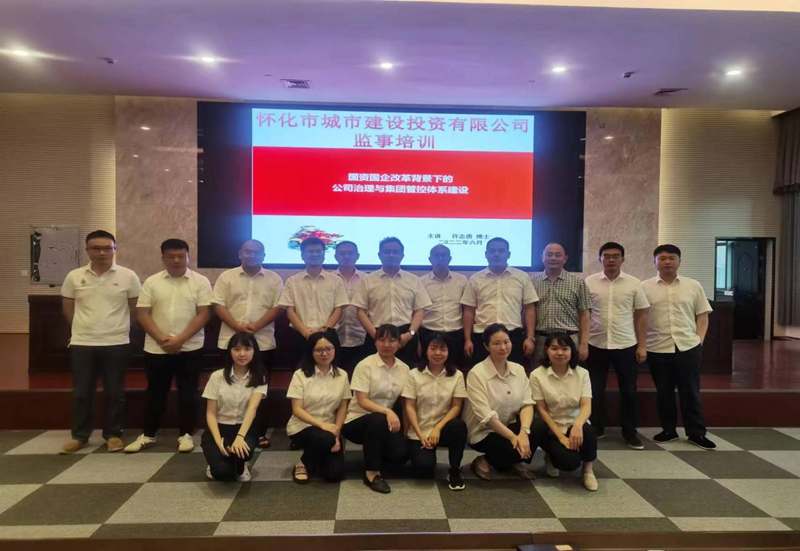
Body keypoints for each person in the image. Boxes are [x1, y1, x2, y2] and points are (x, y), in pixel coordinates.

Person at [125, 238, 213, 453]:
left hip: (190, 347)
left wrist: (180, 339)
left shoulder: (200, 281)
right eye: (171, 256)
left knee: (188, 393)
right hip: (157, 348)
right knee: (155, 392)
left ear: (188, 257)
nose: (176, 260)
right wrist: (162, 339)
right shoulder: (152, 282)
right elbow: (142, 314)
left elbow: (204, 314)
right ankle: (149, 434)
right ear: (163, 258)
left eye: (181, 256)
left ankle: (186, 434)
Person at [60, 230, 141, 453]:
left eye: (107, 248)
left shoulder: (128, 276)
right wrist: (83, 328)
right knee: (82, 392)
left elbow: (135, 309)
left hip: (116, 342)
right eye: (96, 248)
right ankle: (80, 436)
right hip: (83, 343)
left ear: (115, 250)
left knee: (115, 392)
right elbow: (68, 308)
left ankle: (113, 435)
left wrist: (118, 327)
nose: (102, 252)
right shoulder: (74, 276)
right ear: (87, 250)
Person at [642, 244, 716, 449]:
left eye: (671, 258)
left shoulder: (693, 286)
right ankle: (668, 430)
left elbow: (703, 316)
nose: (667, 262)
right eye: (662, 258)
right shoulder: (644, 287)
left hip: (687, 347)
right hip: (657, 347)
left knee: (690, 391)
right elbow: (639, 318)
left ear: (679, 261)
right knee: (663, 392)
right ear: (655, 262)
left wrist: (699, 342)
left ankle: (696, 433)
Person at [212, 239, 282, 449]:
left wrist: (256, 326)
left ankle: (258, 432)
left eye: (256, 252)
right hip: (230, 342)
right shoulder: (226, 277)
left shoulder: (274, 279)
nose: (251, 255)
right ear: (239, 254)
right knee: (228, 388)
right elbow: (218, 305)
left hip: (262, 342)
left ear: (264, 255)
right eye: (247, 251)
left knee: (259, 390)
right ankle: (227, 430)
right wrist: (237, 327)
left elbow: (278, 307)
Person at [585, 242, 649, 448]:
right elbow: (584, 314)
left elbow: (641, 315)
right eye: (606, 256)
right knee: (595, 390)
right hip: (596, 343)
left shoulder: (634, 283)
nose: (611, 259)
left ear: (623, 259)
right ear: (600, 259)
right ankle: (597, 427)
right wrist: (583, 342)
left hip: (625, 344)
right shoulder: (589, 282)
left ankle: (630, 432)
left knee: (629, 390)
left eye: (615, 256)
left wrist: (642, 345)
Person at [342, 324, 410, 493]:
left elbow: (405, 402)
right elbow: (362, 401)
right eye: (382, 340)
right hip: (357, 421)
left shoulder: (404, 368)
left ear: (399, 343)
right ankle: (371, 473)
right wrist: (387, 411)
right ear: (375, 342)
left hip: (386, 422)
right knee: (377, 419)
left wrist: (406, 432)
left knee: (400, 456)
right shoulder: (365, 365)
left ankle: (377, 452)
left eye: (392, 340)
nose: (386, 345)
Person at [463, 323, 534, 480]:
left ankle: (507, 460)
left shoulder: (518, 369)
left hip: (510, 425)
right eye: (496, 343)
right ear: (486, 346)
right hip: (485, 431)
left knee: (538, 430)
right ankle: (485, 460)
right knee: (513, 450)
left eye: (506, 342)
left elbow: (527, 404)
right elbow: (486, 416)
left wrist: (524, 432)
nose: (503, 347)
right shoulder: (477, 373)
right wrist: (514, 438)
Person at [530, 334, 598, 491]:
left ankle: (588, 470)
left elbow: (586, 405)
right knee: (569, 463)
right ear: (546, 350)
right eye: (554, 348)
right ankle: (550, 456)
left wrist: (578, 425)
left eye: (564, 349)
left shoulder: (582, 373)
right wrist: (561, 437)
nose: (560, 353)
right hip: (553, 428)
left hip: (575, 425)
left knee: (588, 430)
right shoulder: (537, 375)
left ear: (571, 351)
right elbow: (541, 410)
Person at [403, 333, 468, 490]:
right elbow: (409, 406)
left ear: (449, 351)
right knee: (424, 469)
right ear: (426, 350)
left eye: (442, 349)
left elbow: (456, 406)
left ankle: (454, 470)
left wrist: (438, 428)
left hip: (443, 429)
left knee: (459, 426)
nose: (438, 353)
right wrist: (419, 434)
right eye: (433, 348)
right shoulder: (413, 374)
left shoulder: (457, 375)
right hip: (419, 431)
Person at [353, 237, 431, 367]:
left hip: (405, 335)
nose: (391, 255)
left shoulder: (413, 280)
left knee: (408, 372)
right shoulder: (367, 280)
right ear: (379, 255)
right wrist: (376, 336)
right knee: (374, 372)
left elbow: (419, 310)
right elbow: (360, 311)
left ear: (402, 255)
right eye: (387, 252)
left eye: (395, 252)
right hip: (376, 333)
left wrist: (410, 334)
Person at [461, 238, 538, 366]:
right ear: (486, 254)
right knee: (482, 374)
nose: (496, 254)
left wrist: (530, 338)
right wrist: (468, 339)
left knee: (514, 374)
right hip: (482, 336)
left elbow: (529, 308)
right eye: (492, 251)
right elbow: (469, 311)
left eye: (501, 251)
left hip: (513, 336)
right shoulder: (475, 279)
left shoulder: (522, 277)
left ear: (508, 254)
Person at [201, 332, 267, 481]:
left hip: (244, 427)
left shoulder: (260, 376)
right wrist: (218, 442)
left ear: (254, 351)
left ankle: (240, 463)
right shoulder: (217, 376)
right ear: (230, 351)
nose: (242, 354)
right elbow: (210, 413)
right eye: (237, 349)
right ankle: (217, 464)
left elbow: (252, 409)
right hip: (219, 428)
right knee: (222, 473)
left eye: (247, 349)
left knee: (243, 453)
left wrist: (240, 437)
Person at [286, 332, 350, 483]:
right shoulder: (300, 375)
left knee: (334, 474)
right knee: (324, 438)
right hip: (302, 426)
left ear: (335, 349)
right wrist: (322, 426)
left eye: (328, 349)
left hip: (330, 430)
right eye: (319, 350)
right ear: (311, 351)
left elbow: (342, 407)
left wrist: (336, 434)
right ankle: (302, 463)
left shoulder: (342, 375)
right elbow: (297, 409)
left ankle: (319, 454)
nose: (324, 353)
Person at [279, 237, 348, 351]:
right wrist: (305, 332)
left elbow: (339, 308)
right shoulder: (292, 281)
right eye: (310, 251)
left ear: (324, 255)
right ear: (302, 255)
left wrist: (325, 330)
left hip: (328, 334)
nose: (315, 254)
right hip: (299, 335)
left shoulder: (336, 280)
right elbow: (290, 310)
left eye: (318, 251)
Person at [531, 242, 591, 368]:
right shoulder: (533, 282)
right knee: (539, 376)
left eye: (558, 255)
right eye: (549, 254)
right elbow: (528, 312)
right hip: (541, 340)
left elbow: (585, 314)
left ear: (565, 258)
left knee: (571, 376)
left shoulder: (578, 282)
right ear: (542, 257)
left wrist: (584, 343)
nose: (553, 258)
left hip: (569, 339)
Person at [420, 244, 468, 370]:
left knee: (456, 371)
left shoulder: (462, 280)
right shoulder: (421, 282)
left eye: (443, 255)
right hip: (428, 333)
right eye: (437, 255)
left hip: (455, 334)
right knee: (428, 371)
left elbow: (467, 309)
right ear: (430, 259)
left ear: (450, 259)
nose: (440, 258)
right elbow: (418, 310)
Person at [333, 240, 368, 373]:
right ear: (336, 256)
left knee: (360, 376)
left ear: (357, 256)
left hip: (362, 337)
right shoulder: (329, 279)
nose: (346, 256)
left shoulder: (367, 279)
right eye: (342, 253)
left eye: (350, 253)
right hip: (334, 338)